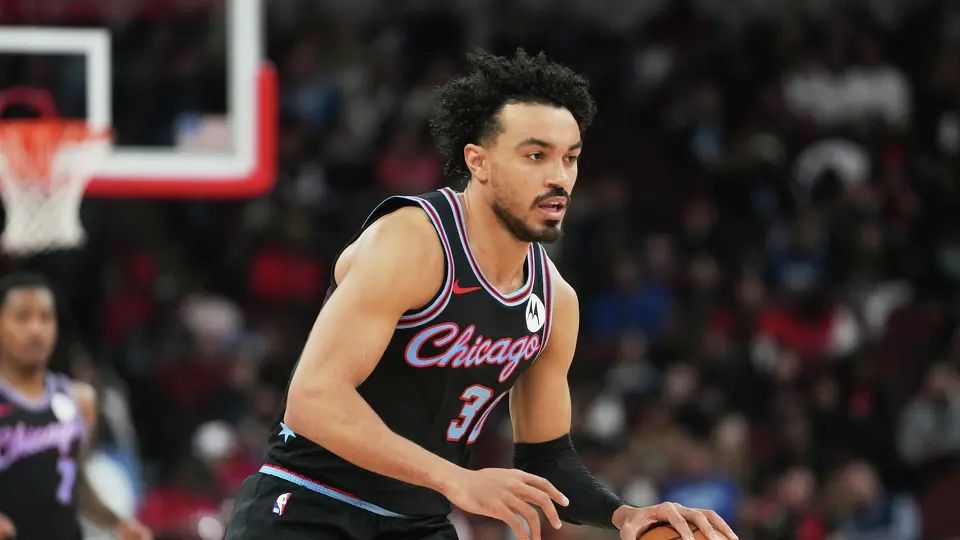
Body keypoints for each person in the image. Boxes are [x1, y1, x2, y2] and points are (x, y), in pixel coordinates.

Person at [226, 49, 738, 540]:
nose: (559, 178)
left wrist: (623, 513)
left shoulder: (556, 303)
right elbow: (313, 401)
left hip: (417, 522)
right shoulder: (413, 242)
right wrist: (457, 480)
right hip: (307, 506)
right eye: (535, 155)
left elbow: (548, 460)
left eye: (571, 158)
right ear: (479, 161)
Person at [0, 273, 151, 540]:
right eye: (22, 318)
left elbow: (76, 487)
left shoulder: (79, 400)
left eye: (46, 318)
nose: (36, 330)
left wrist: (118, 523)